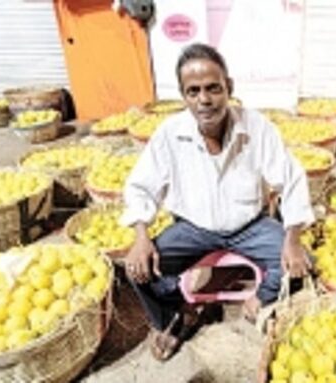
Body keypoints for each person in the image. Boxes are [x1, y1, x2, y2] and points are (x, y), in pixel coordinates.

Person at [121, 43, 315, 361]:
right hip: (193, 228)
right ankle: (175, 316)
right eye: (193, 91)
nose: (204, 100)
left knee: (300, 262)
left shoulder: (256, 127)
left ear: (229, 88)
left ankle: (261, 300)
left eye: (213, 88)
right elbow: (140, 186)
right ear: (183, 96)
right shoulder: (170, 134)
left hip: (250, 226)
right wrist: (140, 237)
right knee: (137, 269)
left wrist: (292, 240)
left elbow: (291, 178)